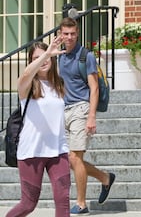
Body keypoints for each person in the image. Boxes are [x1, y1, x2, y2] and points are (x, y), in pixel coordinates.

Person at [57, 17, 115, 215]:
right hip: (64, 111)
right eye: (66, 33)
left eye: (73, 33)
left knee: (75, 157)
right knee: (69, 159)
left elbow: (95, 87)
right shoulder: (60, 56)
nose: (70, 37)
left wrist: (91, 116)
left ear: (78, 33)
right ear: (60, 35)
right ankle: (105, 178)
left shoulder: (86, 56)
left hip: (81, 108)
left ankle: (81, 204)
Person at [7, 38, 70, 217]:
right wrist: (47, 53)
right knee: (28, 204)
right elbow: (26, 75)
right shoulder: (25, 86)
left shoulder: (59, 85)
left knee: (63, 200)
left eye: (46, 58)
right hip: (31, 152)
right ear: (31, 62)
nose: (43, 61)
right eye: (37, 58)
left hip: (58, 151)